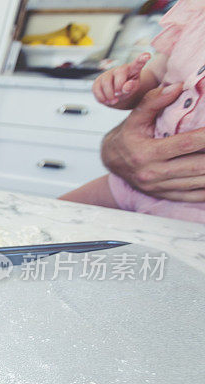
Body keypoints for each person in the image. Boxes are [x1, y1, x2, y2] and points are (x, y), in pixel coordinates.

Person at [60, 0, 205, 223]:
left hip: (193, 201)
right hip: (128, 182)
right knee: (44, 220)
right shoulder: (196, 14)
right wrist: (125, 87)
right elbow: (157, 74)